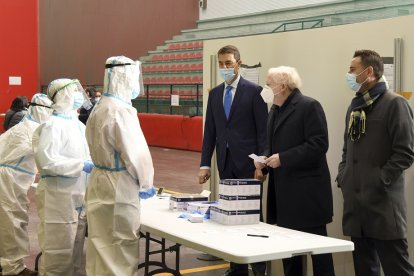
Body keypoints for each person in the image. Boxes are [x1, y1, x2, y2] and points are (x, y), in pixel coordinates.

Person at [337, 49, 414, 276]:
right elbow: (346, 149)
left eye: (352, 69)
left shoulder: (395, 104)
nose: (348, 74)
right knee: (364, 269)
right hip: (356, 206)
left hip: (383, 204)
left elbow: (405, 152)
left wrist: (380, 180)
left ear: (368, 72)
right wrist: (344, 176)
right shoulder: (355, 106)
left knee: (397, 269)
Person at [255, 66, 335, 276]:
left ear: (282, 86)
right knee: (289, 254)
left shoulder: (309, 106)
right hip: (283, 195)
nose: (265, 88)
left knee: (319, 254)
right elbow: (272, 144)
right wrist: (264, 159)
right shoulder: (275, 109)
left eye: (269, 84)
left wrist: (283, 158)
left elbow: (319, 145)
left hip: (307, 196)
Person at [199, 45, 268, 276]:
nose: (225, 67)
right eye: (221, 64)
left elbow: (262, 133)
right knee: (230, 215)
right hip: (225, 163)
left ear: (239, 62)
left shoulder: (255, 92)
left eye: (229, 63)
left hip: (249, 165)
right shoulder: (215, 93)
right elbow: (210, 131)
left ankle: (259, 268)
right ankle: (237, 269)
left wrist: (261, 164)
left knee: (252, 217)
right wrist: (205, 164)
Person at [85, 56, 155, 276]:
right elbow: (136, 155)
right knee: (120, 247)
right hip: (119, 186)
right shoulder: (121, 111)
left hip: (99, 181)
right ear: (125, 77)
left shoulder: (100, 107)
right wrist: (146, 182)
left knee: (100, 244)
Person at [32, 79, 92, 276]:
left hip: (78, 195)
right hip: (58, 197)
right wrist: (80, 165)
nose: (78, 95)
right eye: (74, 90)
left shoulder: (78, 125)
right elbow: (47, 162)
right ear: (63, 94)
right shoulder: (52, 125)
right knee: (58, 250)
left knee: (76, 248)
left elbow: (88, 155)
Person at [0, 93, 53, 276]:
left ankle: (5, 263)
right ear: (43, 110)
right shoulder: (33, 129)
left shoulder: (26, 124)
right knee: (12, 223)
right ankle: (13, 270)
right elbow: (47, 159)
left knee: (7, 222)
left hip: (10, 178)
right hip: (9, 180)